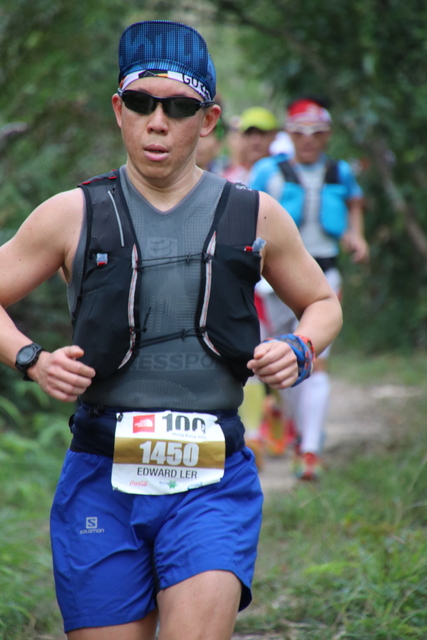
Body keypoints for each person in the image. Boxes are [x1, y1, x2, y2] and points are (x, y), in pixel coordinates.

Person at [0, 22, 342, 640]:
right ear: (119, 110)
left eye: (179, 107)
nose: (157, 122)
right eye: (141, 103)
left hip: (212, 479)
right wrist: (30, 357)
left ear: (207, 120)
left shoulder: (254, 214)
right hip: (101, 476)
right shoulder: (73, 214)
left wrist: (299, 345)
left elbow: (322, 302)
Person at [250, 96, 368, 481]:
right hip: (272, 283)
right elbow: (241, 212)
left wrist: (356, 236)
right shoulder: (268, 172)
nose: (308, 140)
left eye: (317, 133)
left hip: (324, 276)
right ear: (289, 133)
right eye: (300, 132)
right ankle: (284, 425)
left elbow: (354, 202)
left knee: (315, 360)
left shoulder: (339, 171)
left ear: (327, 135)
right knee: (276, 361)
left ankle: (310, 449)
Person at [222, 106, 278, 185]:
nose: (255, 141)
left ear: (274, 136)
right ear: (241, 137)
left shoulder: (283, 175)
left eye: (262, 133)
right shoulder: (229, 179)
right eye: (249, 134)